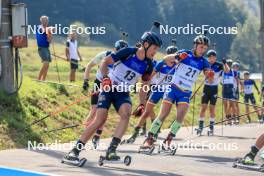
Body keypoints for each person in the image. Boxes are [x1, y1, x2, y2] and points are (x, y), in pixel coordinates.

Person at [64, 32, 162, 161]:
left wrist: (142, 104)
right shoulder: (128, 52)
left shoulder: (149, 64)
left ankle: (111, 150)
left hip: (123, 93)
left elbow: (144, 86)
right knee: (100, 119)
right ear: (145, 44)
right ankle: (75, 150)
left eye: (157, 49)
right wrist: (105, 78)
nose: (156, 51)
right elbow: (105, 62)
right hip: (109, 88)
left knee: (126, 114)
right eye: (154, 48)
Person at [140, 34, 214, 151]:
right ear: (195, 45)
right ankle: (149, 139)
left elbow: (209, 79)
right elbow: (167, 59)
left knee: (180, 117)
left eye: (205, 48)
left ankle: (168, 140)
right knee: (163, 115)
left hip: (185, 93)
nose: (203, 50)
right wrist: (178, 57)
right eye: (201, 47)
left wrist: (210, 75)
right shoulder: (186, 53)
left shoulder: (204, 62)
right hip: (172, 88)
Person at [124, 46, 178, 144]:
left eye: (175, 57)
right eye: (172, 57)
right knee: (146, 112)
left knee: (163, 114)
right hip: (157, 90)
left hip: (168, 92)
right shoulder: (161, 64)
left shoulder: (178, 67)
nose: (174, 59)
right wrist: (144, 87)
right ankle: (134, 135)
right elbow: (149, 77)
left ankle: (154, 134)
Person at [82, 40, 128, 148]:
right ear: (114, 49)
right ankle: (84, 136)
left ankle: (97, 136)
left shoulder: (125, 60)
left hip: (111, 87)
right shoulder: (105, 55)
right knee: (94, 110)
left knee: (102, 112)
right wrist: (85, 81)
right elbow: (89, 66)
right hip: (99, 82)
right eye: (118, 51)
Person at [197, 49, 223, 135]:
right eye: (210, 57)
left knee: (212, 109)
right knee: (203, 107)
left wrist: (225, 64)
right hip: (206, 88)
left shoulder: (219, 65)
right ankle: (200, 126)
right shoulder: (206, 65)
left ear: (215, 58)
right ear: (208, 58)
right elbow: (209, 79)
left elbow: (226, 71)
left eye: (213, 57)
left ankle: (211, 127)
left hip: (214, 89)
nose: (211, 59)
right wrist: (209, 74)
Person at [36, 15, 53, 81]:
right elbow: (43, 30)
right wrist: (50, 29)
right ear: (41, 21)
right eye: (43, 20)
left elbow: (49, 40)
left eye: (46, 20)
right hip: (41, 48)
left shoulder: (48, 29)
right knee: (45, 63)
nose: (45, 21)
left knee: (47, 65)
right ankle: (38, 79)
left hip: (46, 48)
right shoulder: (39, 27)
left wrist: (50, 36)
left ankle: (43, 80)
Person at [222, 59, 238, 125]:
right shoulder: (222, 71)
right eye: (228, 63)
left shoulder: (234, 72)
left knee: (232, 104)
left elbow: (237, 80)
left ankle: (234, 118)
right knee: (225, 105)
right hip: (225, 88)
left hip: (231, 88)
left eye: (230, 64)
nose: (229, 65)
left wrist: (236, 88)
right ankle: (227, 119)